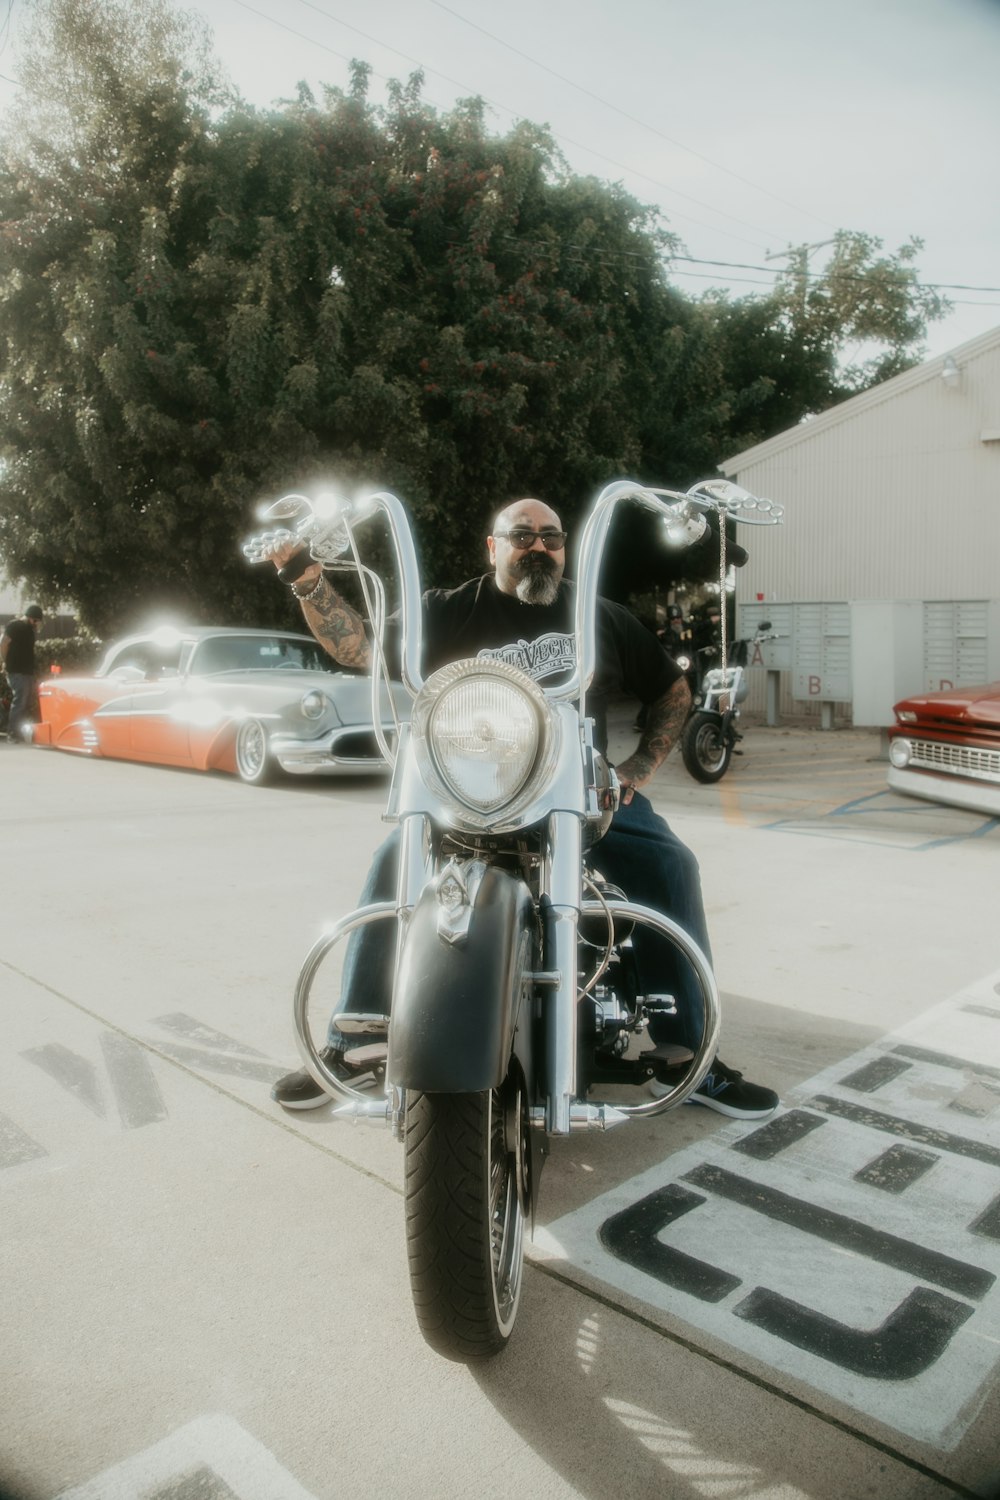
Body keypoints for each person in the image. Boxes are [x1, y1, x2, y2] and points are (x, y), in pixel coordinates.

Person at [269, 500, 778, 1121]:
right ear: (492, 546)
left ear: (565, 548)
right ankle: (352, 1040)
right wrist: (306, 576)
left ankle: (689, 1053)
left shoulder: (600, 615)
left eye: (551, 537)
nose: (539, 548)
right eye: (522, 536)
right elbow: (361, 648)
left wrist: (636, 771)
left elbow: (672, 687)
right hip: (471, 795)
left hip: (580, 794)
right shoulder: (449, 610)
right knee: (393, 860)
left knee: (671, 862)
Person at [1, 604, 44, 743]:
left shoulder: (30, 631)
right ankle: (12, 733)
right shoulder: (15, 625)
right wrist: (4, 661)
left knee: (26, 702)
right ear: (30, 617)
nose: (36, 624)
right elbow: (3, 642)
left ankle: (20, 731)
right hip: (15, 670)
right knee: (20, 701)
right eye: (35, 621)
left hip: (27, 671)